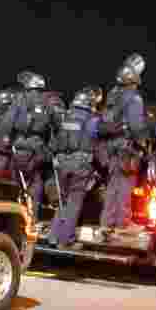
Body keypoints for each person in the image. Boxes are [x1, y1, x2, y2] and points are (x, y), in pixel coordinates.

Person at [0, 71, 60, 222]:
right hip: (37, 150)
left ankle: (16, 219)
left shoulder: (20, 100)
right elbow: (57, 126)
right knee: (35, 186)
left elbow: (7, 123)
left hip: (18, 149)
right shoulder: (48, 102)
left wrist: (5, 141)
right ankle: (33, 219)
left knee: (16, 186)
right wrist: (51, 149)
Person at [98, 54, 149, 236]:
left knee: (113, 186)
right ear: (134, 80)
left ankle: (107, 222)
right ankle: (123, 224)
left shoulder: (112, 95)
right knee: (125, 187)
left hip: (111, 147)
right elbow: (136, 126)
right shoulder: (134, 98)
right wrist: (143, 143)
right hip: (126, 148)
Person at [47, 87, 100, 248]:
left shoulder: (64, 117)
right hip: (80, 164)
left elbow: (53, 143)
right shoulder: (91, 119)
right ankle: (66, 240)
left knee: (62, 202)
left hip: (61, 163)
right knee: (74, 202)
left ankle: (53, 237)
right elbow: (96, 141)